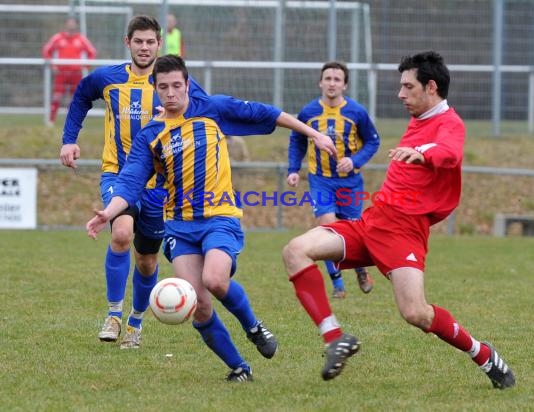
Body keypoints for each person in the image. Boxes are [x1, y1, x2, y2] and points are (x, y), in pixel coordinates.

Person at [86, 54, 337, 382]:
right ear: (155, 89)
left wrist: (313, 135)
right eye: (164, 87)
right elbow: (131, 180)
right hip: (179, 226)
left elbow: (268, 114)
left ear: (188, 85)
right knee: (199, 306)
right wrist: (109, 211)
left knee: (216, 279)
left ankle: (253, 326)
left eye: (177, 85)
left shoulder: (212, 110)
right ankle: (239, 368)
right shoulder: (151, 135)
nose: (171, 93)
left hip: (220, 216)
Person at [282, 51, 516, 389]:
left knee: (416, 314)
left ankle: (482, 353)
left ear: (430, 87)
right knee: (295, 250)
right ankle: (335, 337)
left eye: (408, 87)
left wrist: (424, 154)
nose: (400, 95)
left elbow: (450, 153)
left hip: (405, 233)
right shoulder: (420, 116)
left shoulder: (450, 124)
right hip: (372, 221)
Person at [60, 16, 206, 350]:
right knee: (122, 234)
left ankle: (135, 324)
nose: (144, 47)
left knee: (147, 261)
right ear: (128, 43)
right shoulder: (108, 79)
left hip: (158, 186)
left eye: (150, 42)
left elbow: (203, 113)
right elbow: (82, 95)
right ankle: (113, 314)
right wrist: (69, 139)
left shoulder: (173, 82)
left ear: (159, 44)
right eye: (138, 41)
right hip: (117, 173)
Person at [287, 61, 380, 299]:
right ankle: (338, 284)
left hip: (350, 182)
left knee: (354, 231)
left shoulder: (356, 112)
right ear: (320, 82)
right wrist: (293, 169)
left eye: (337, 79)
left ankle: (360, 269)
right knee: (328, 227)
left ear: (345, 85)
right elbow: (297, 140)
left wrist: (355, 161)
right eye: (327, 78)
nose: (332, 83)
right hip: (320, 180)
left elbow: (373, 141)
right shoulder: (308, 112)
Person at [42, 16, 97, 126]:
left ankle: (72, 122)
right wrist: (53, 65)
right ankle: (51, 121)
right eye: (69, 23)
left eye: (73, 23)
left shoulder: (81, 39)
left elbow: (92, 52)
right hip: (61, 72)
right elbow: (46, 50)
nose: (71, 25)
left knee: (75, 99)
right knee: (57, 96)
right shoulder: (58, 38)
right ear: (66, 24)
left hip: (76, 73)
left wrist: (85, 66)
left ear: (76, 25)